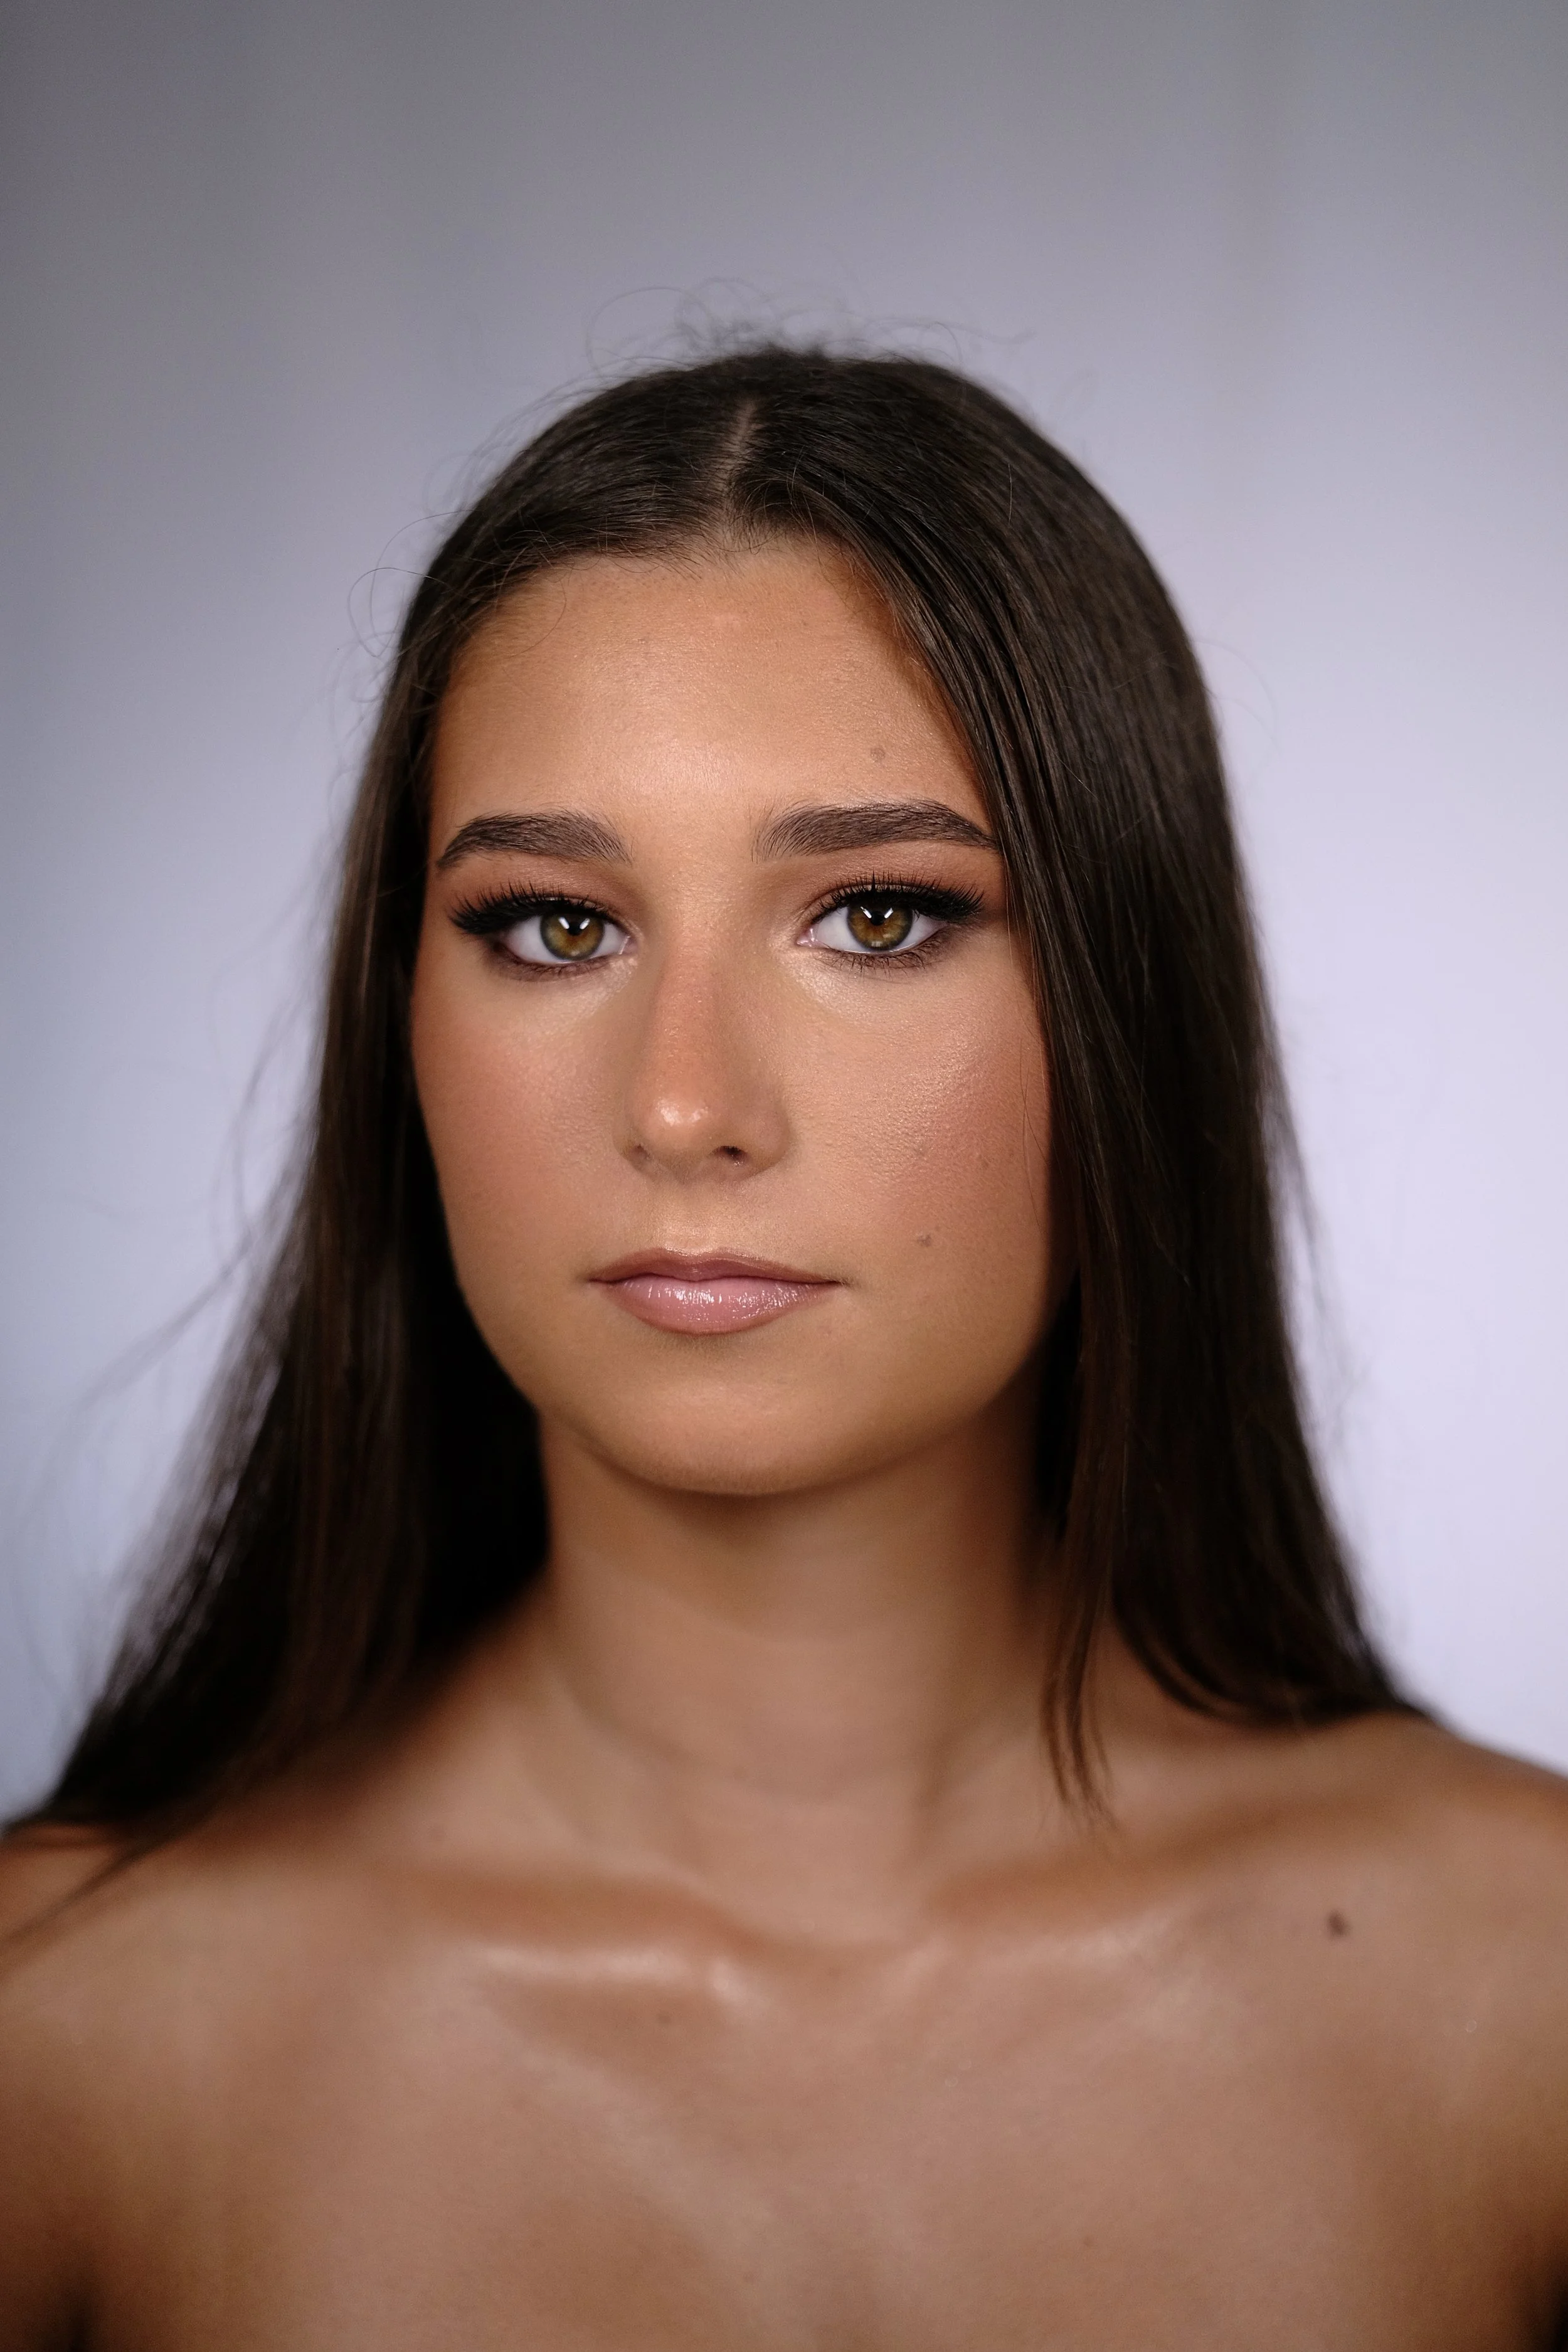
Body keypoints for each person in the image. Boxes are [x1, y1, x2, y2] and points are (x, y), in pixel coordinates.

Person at [2, 345, 1565, 2349]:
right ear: (401, 1023)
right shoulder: (70, 2037)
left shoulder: (1519, 2007)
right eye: (555, 924)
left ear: (1128, 1003)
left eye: (878, 916)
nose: (684, 1106)